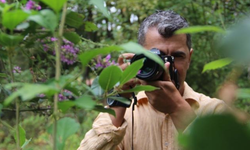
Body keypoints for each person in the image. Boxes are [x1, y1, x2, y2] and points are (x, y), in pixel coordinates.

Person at [77, 10, 228, 150]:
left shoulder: (215, 112)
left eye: (177, 56)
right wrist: (119, 100)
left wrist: (178, 109)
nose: (167, 65)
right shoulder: (122, 113)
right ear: (139, 57)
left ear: (189, 58)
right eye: (157, 57)